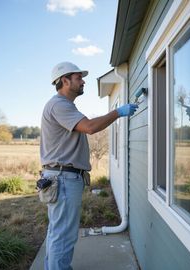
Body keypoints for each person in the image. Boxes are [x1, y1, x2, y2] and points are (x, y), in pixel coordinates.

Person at [40, 61, 138, 270]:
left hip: (61, 177)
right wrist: (118, 112)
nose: (83, 81)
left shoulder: (64, 105)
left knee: (58, 232)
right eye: (78, 78)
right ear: (64, 81)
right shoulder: (59, 104)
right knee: (63, 235)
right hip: (63, 178)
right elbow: (90, 127)